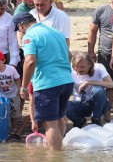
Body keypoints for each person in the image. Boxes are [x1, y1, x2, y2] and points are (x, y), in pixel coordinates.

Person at [15, 12, 73, 150]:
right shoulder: (56, 33)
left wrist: (23, 87)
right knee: (59, 118)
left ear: (21, 26)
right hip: (66, 80)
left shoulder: (29, 36)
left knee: (50, 123)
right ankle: (59, 152)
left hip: (47, 83)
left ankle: (54, 156)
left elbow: (29, 62)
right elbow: (69, 54)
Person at [88, 0, 113, 122]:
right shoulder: (101, 10)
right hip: (105, 55)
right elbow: (92, 31)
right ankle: (107, 114)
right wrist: (91, 51)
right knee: (107, 86)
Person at [66, 52, 113, 128]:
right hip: (79, 102)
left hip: (98, 103)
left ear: (90, 65)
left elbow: (110, 84)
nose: (78, 69)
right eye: (76, 66)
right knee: (64, 105)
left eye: (82, 67)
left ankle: (96, 118)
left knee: (99, 90)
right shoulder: (70, 70)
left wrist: (88, 82)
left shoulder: (98, 67)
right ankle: (80, 121)